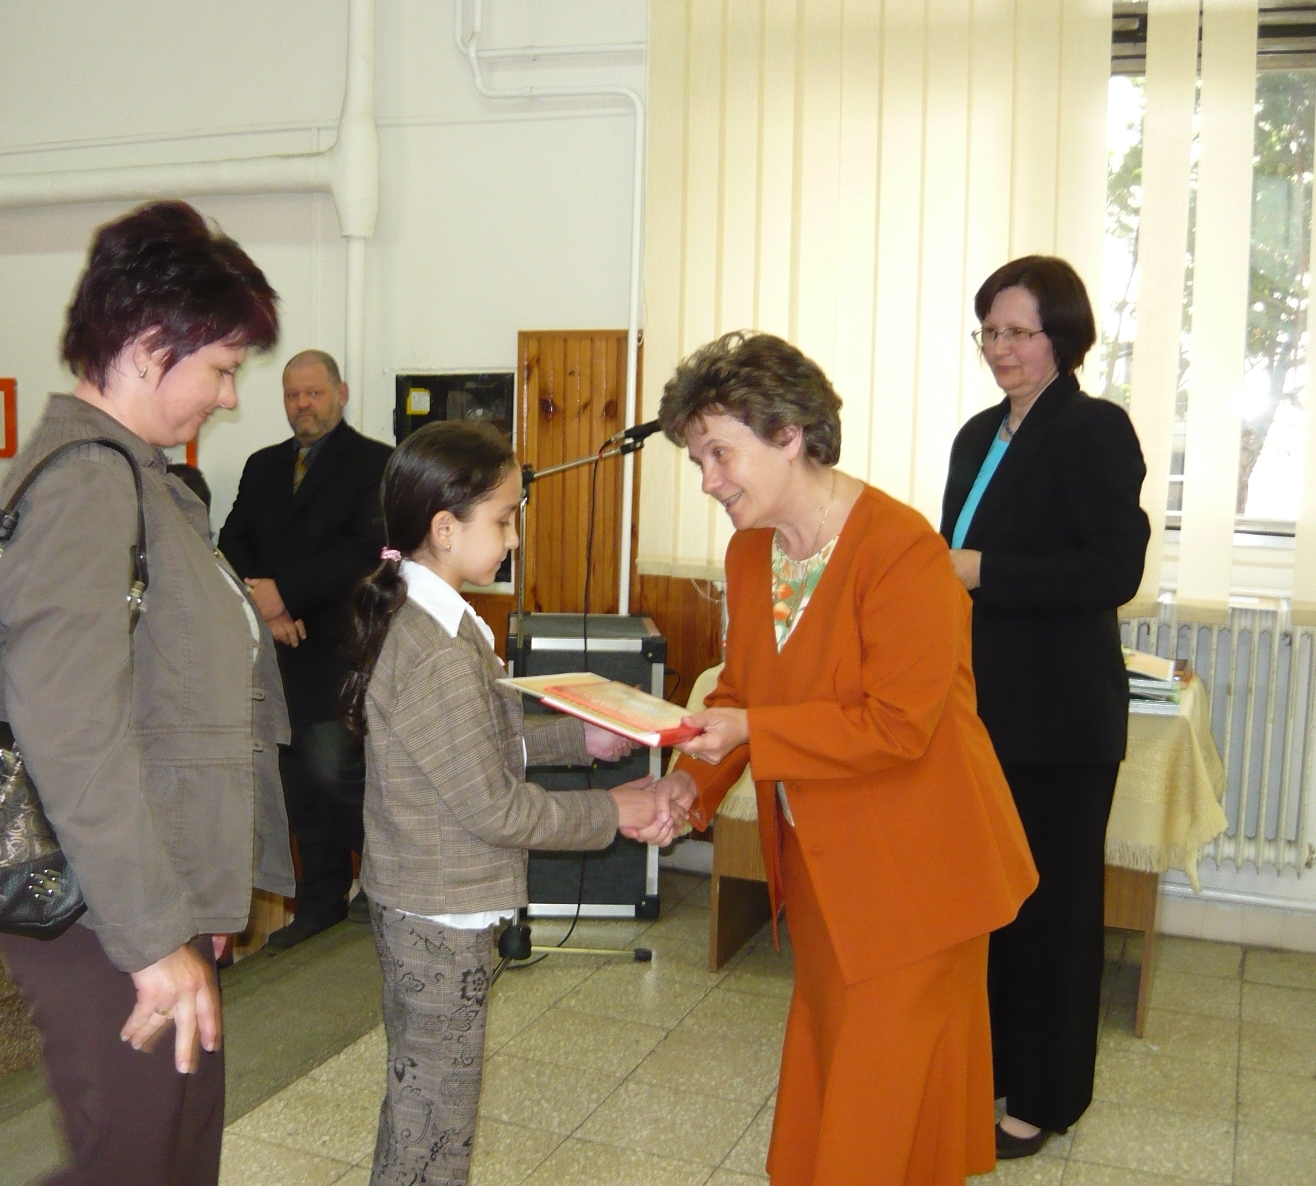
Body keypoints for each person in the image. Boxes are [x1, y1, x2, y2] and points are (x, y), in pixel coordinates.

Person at [649, 332, 1038, 1185]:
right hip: (828, 867)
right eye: (698, 459)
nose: (709, 481)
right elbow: (739, 692)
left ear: (789, 434)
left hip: (919, 874)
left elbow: (897, 725)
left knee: (878, 1105)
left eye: (720, 454)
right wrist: (688, 785)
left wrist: (751, 732)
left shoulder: (901, 550)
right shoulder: (751, 552)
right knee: (846, 1079)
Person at [0, 199, 293, 1186]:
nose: (229, 397)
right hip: (100, 910)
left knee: (177, 1145)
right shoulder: (87, 482)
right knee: (133, 1158)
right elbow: (72, 732)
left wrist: (197, 898)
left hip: (146, 889)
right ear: (152, 345)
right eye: (224, 368)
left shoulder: (138, 475)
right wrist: (153, 936)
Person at [343, 420, 675, 1186]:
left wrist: (576, 741)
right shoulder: (433, 649)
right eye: (504, 520)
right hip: (437, 916)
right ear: (445, 528)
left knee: (424, 1108)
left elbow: (470, 747)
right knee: (434, 1125)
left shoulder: (439, 619)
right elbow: (495, 808)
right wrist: (616, 813)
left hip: (427, 904)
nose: (515, 539)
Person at [941, 256, 1148, 1157]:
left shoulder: (1095, 429)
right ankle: (987, 1069)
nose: (1000, 348)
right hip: (978, 711)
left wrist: (985, 570)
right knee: (988, 905)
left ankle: (1046, 1096)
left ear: (1061, 336)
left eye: (1018, 332)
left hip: (1061, 721)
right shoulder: (975, 435)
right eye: (989, 331)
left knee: (1053, 914)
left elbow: (1112, 570)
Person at [219, 348, 392, 951]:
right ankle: (320, 900)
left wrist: (285, 595)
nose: (302, 406)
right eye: (293, 395)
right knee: (294, 783)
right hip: (273, 652)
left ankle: (385, 881)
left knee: (334, 773)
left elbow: (367, 552)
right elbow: (232, 541)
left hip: (339, 651)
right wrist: (266, 605)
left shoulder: (375, 463)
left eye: (313, 393)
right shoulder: (262, 465)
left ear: (340, 394)